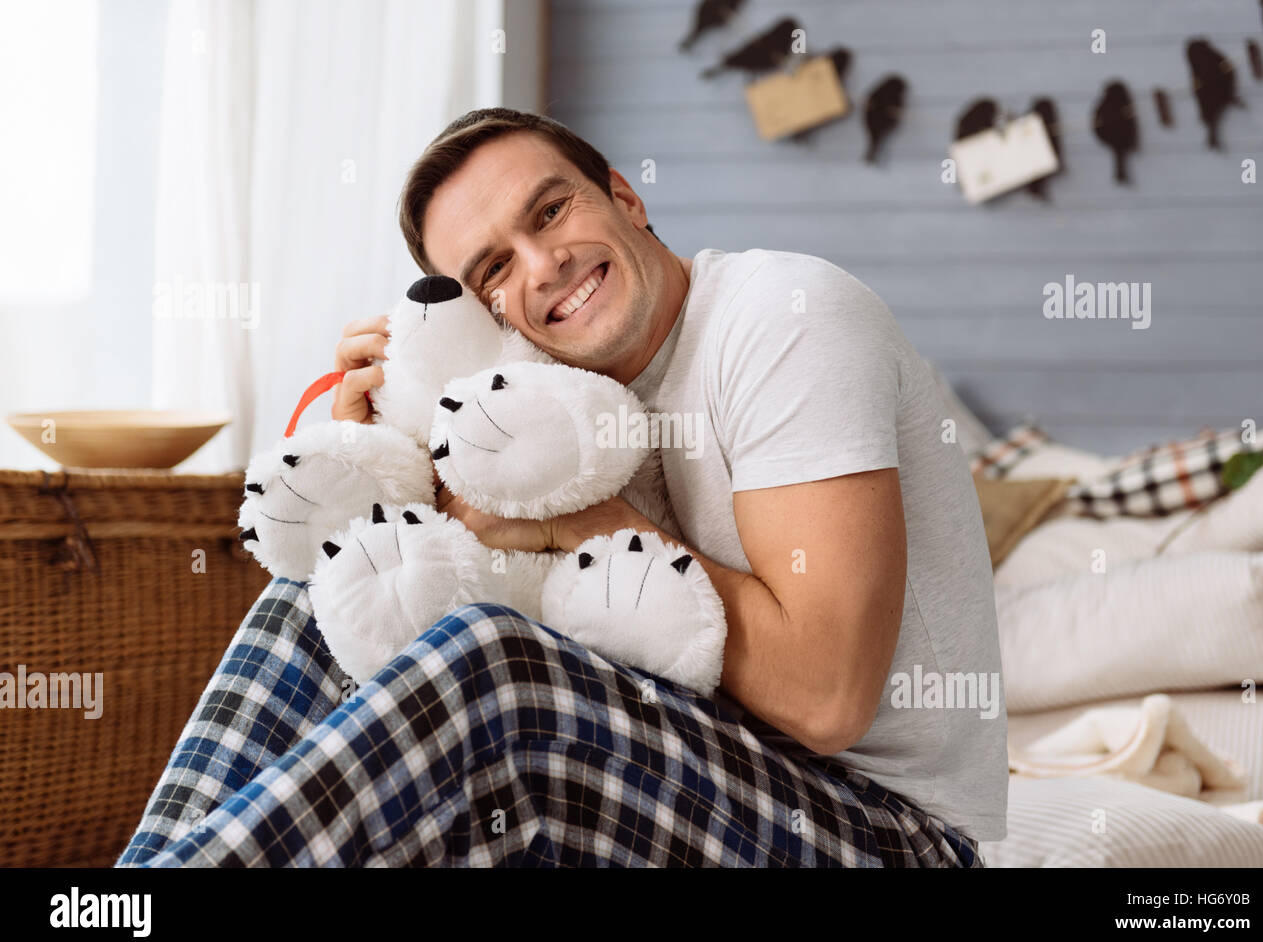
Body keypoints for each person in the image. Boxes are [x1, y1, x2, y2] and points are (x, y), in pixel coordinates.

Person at [117, 108, 1005, 867]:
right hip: (696, 777)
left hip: (892, 832)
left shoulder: (783, 315)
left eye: (550, 210)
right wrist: (372, 464)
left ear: (624, 196)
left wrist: (588, 525)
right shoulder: (541, 412)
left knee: (496, 663)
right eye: (492, 270)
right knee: (322, 587)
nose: (541, 266)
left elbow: (827, 696)